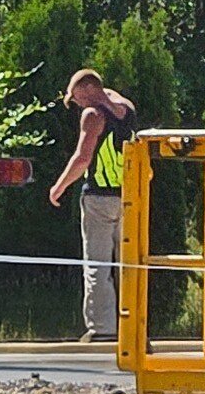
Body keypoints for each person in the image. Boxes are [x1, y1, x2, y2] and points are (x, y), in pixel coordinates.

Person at [46, 67, 140, 341]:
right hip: (130, 196)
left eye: (76, 98)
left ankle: (103, 329)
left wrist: (59, 187)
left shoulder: (93, 115)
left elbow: (83, 158)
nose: (77, 104)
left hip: (99, 198)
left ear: (88, 88)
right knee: (131, 265)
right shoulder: (127, 109)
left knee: (98, 266)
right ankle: (134, 326)